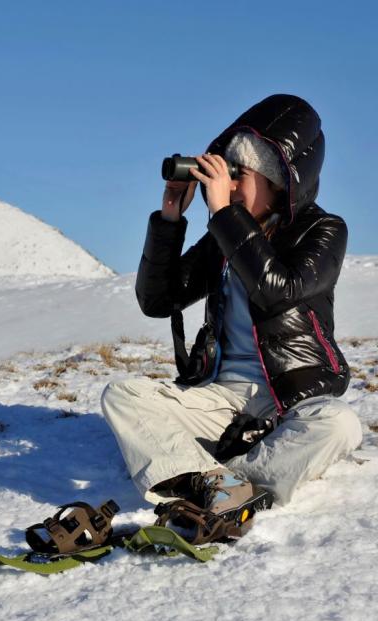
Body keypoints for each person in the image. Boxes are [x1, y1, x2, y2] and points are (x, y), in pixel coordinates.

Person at [101, 94, 363, 540]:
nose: (228, 187)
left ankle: (222, 477)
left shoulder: (324, 230)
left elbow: (277, 289)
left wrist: (225, 214)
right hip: (220, 398)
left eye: (240, 176)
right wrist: (169, 219)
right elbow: (158, 299)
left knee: (340, 424)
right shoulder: (225, 234)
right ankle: (220, 480)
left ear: (281, 182)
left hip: (289, 399)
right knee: (123, 394)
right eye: (226, 175)